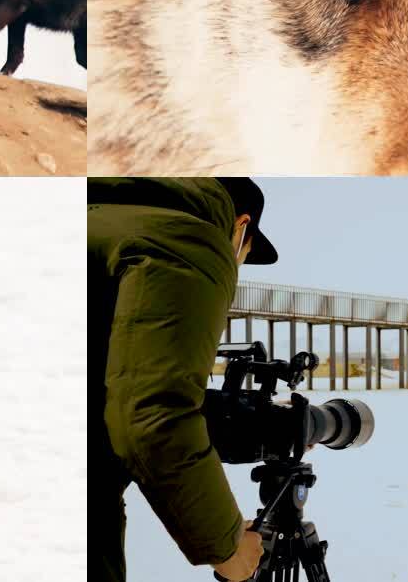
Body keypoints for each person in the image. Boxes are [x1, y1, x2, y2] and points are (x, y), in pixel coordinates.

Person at [90, 177, 279, 582]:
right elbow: (154, 422)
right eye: (244, 255)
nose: (237, 266)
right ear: (240, 227)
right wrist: (228, 547)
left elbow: (110, 385)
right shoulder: (187, 242)